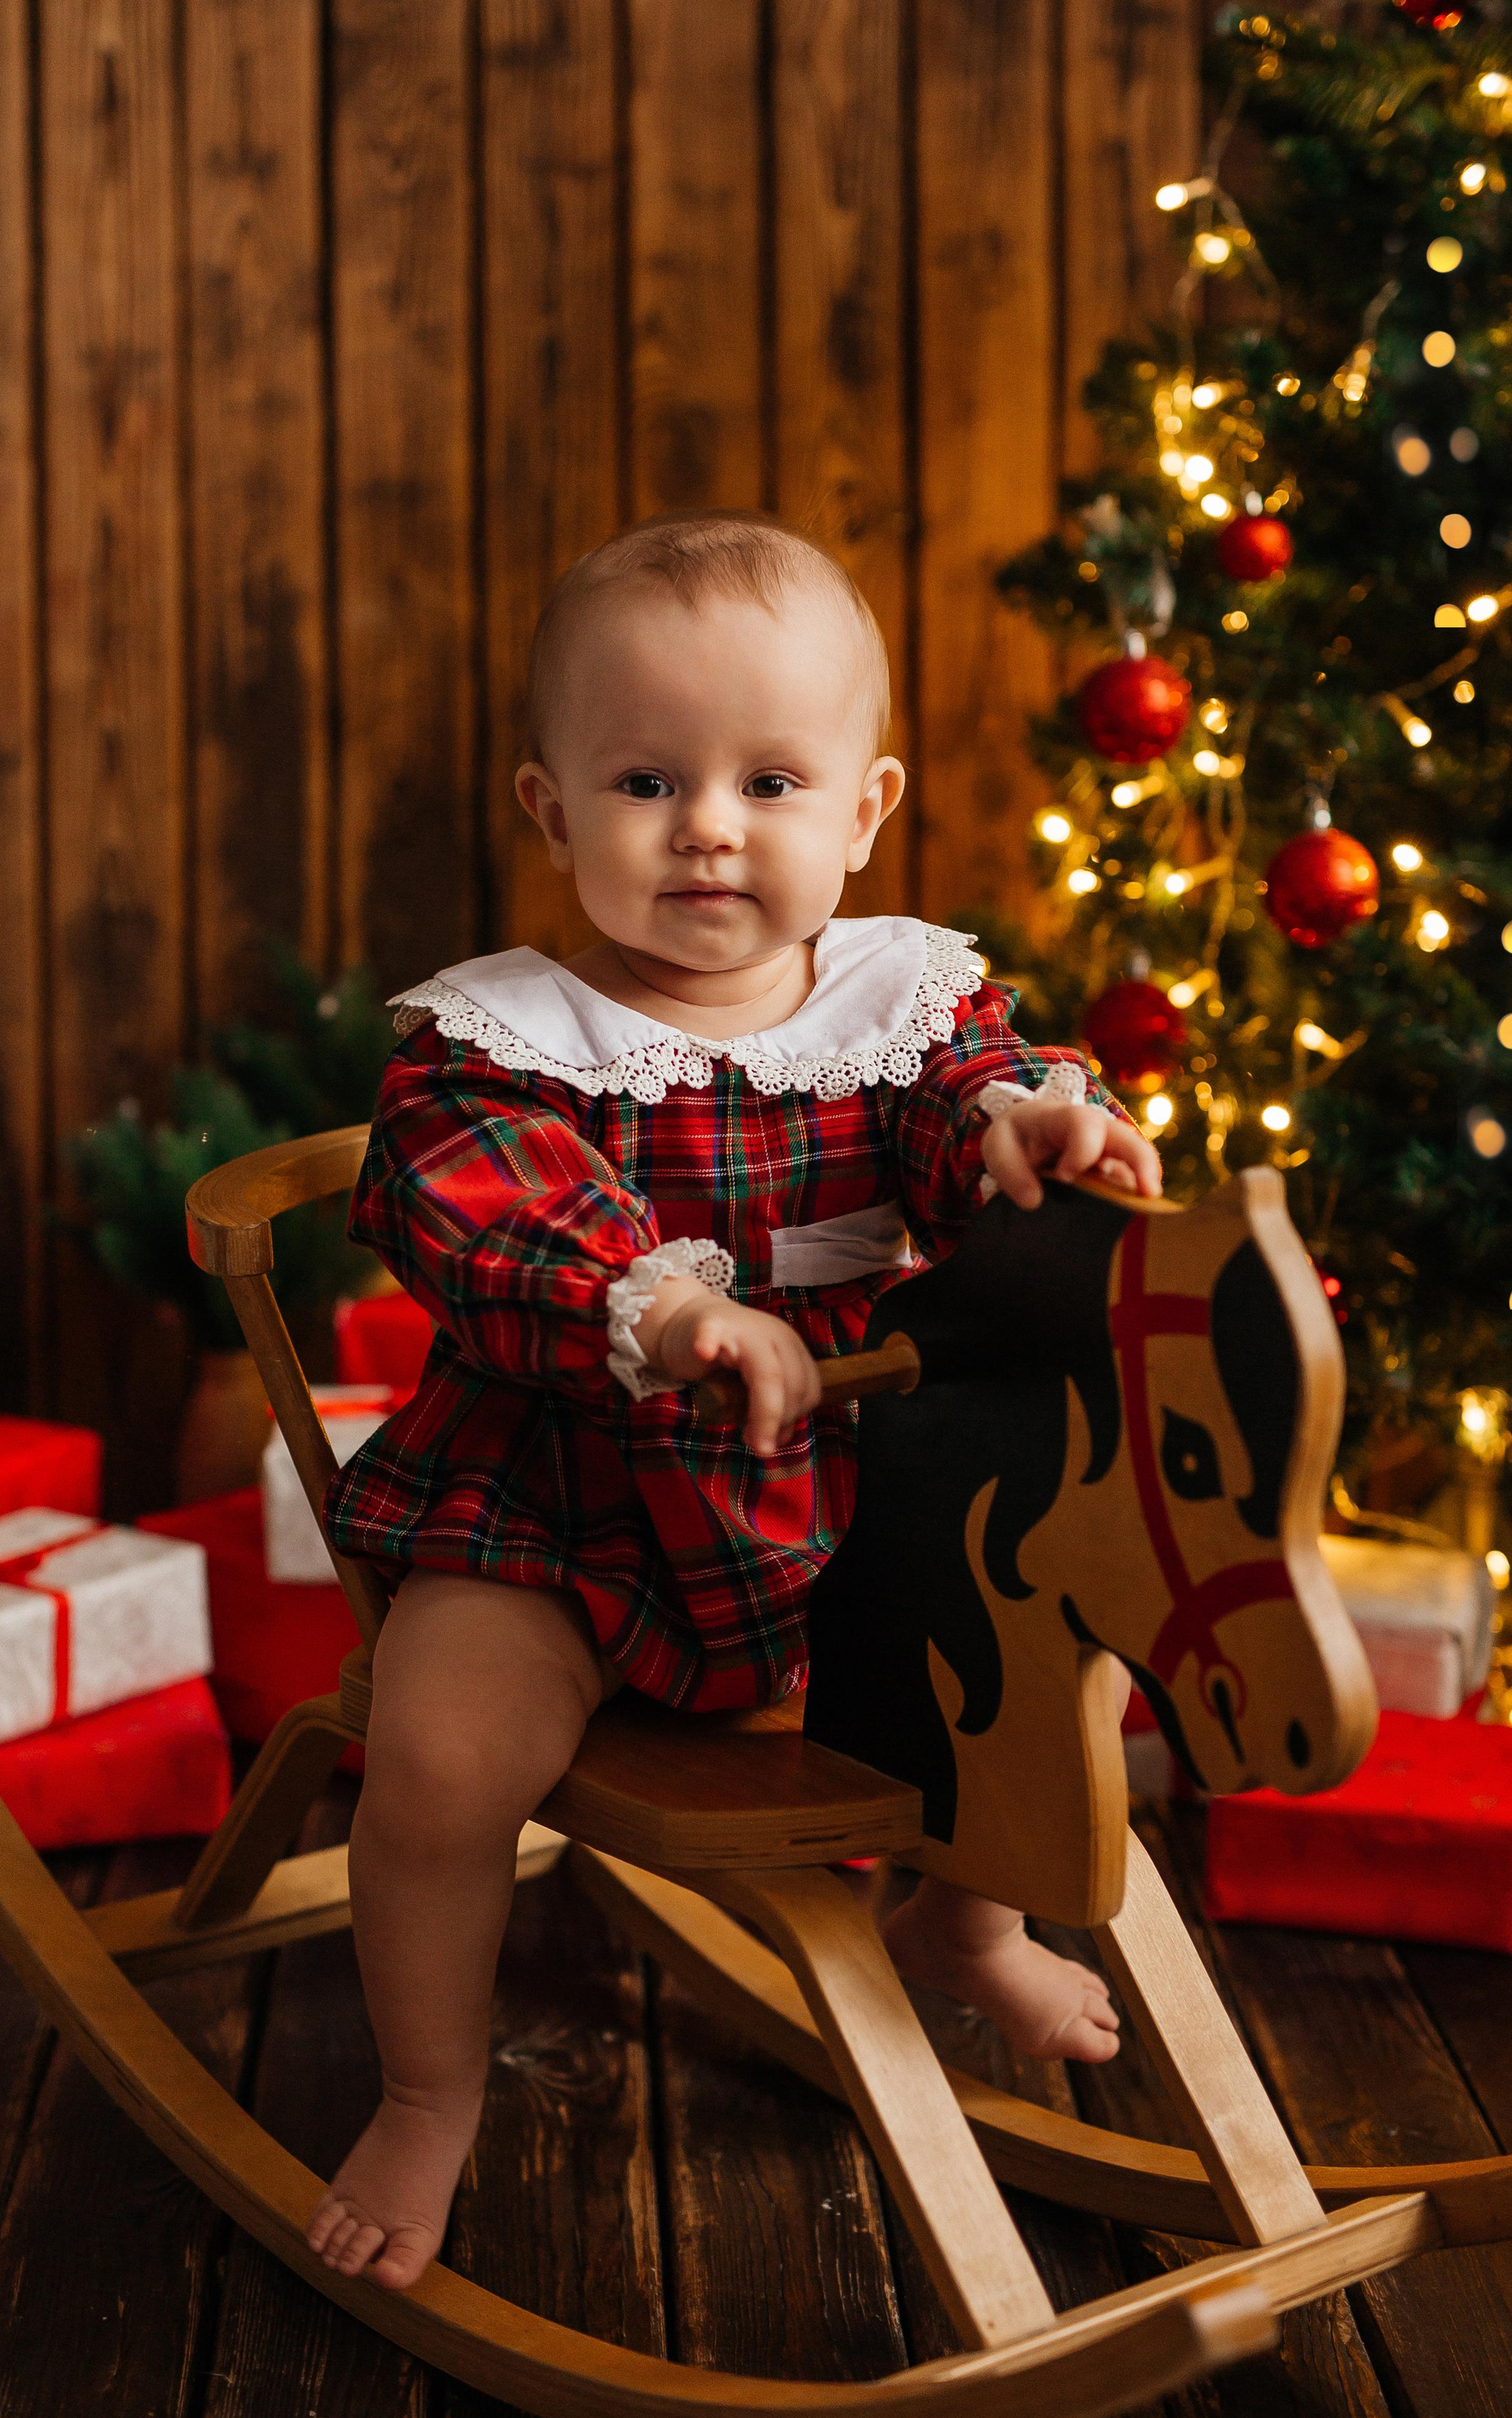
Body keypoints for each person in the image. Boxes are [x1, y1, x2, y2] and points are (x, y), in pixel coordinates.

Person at [307, 512, 1161, 2292]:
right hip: (571, 1504)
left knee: (1009, 1656)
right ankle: (427, 2090)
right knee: (442, 1759)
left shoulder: (903, 1003)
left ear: (864, 811)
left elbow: (968, 1101)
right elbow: (479, 1207)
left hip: (848, 1494)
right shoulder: (497, 1044)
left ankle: (960, 1919)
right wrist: (667, 1306)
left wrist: (1031, 1126)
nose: (709, 825)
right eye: (647, 781)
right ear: (553, 811)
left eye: (771, 782)